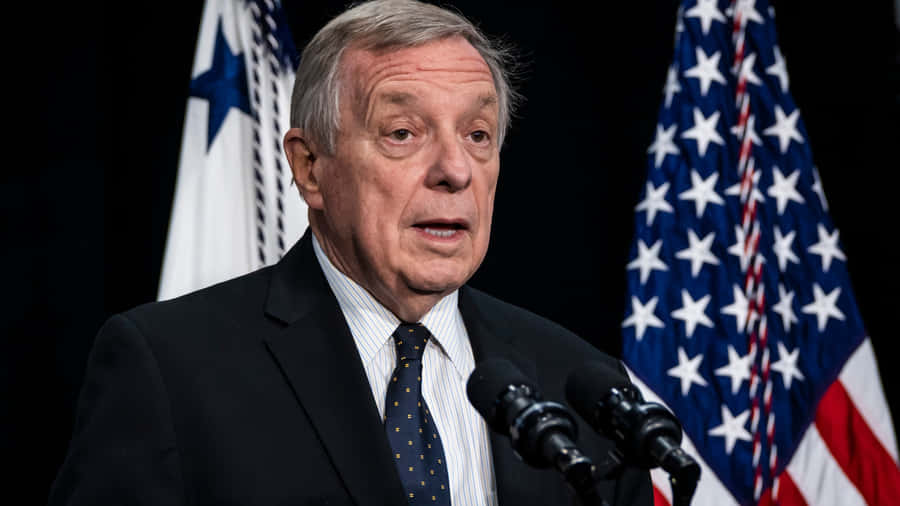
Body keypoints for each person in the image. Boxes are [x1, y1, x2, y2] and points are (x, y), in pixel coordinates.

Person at [49, 1, 652, 504]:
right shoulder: (169, 368)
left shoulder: (575, 381)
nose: (454, 171)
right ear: (310, 168)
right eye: (403, 134)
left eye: (477, 136)